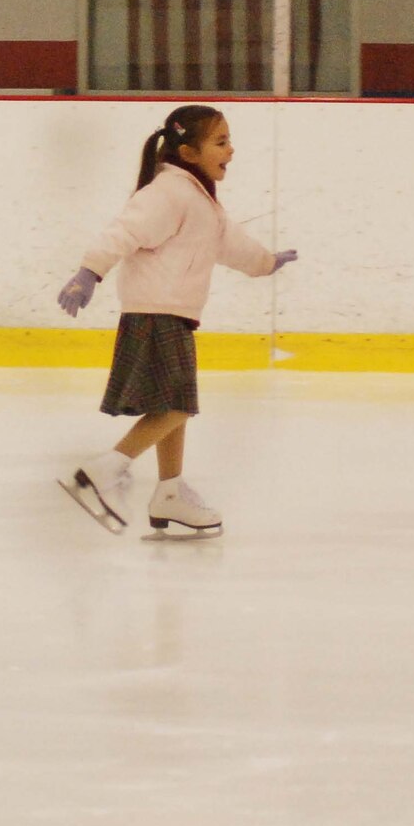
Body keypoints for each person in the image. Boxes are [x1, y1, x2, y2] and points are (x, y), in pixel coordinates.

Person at [55, 105, 296, 538]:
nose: (231, 150)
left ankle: (169, 490)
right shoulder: (169, 193)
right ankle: (105, 471)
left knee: (172, 407)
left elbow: (230, 244)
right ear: (188, 153)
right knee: (179, 405)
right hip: (156, 313)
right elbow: (123, 231)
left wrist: (265, 262)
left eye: (229, 140)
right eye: (220, 142)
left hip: (172, 313)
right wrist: (89, 272)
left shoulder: (200, 200)